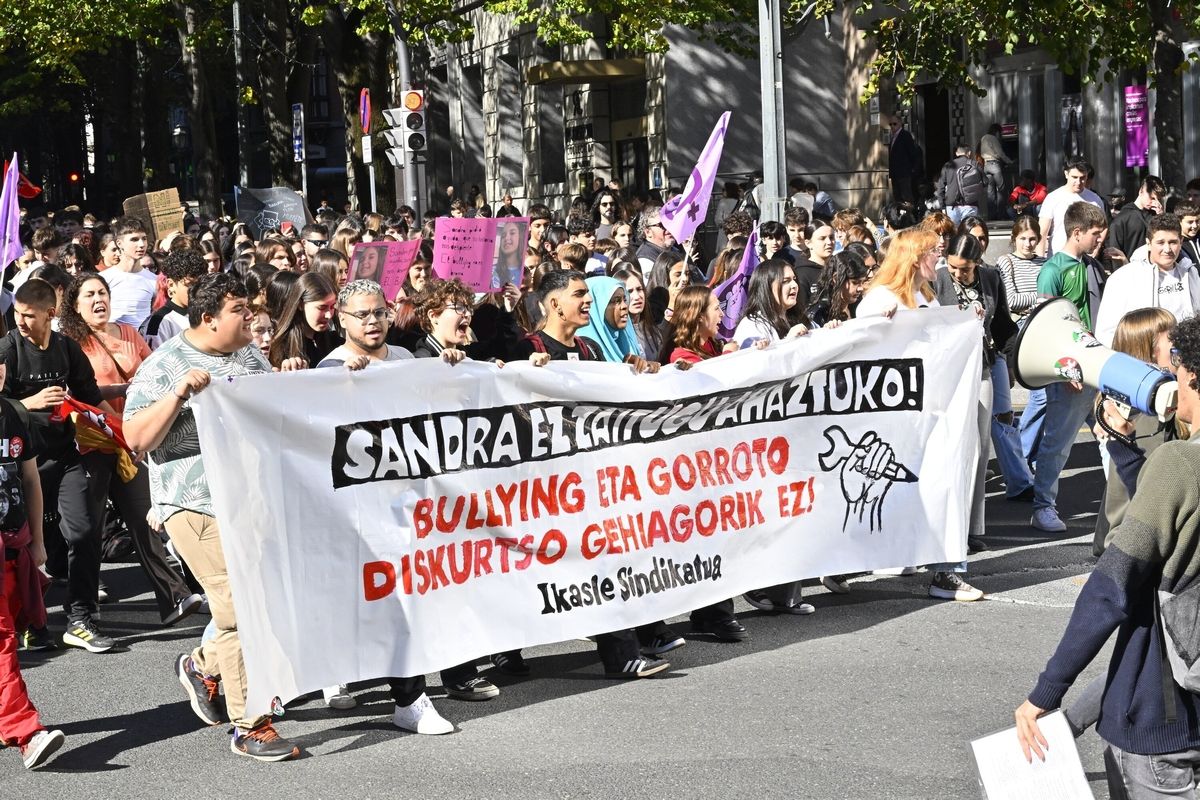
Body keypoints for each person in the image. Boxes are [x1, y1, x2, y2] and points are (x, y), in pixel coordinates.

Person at [1014, 315, 1200, 797]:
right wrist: (1123, 447)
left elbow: (1110, 589)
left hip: (1164, 717)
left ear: (1191, 376)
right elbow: (1175, 511)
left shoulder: (1180, 462)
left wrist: (1047, 691)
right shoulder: (1177, 466)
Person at [123, 272, 301, 761]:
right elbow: (135, 438)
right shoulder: (166, 363)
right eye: (240, 310)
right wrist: (178, 394)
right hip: (195, 504)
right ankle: (251, 726)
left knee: (264, 602)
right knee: (237, 610)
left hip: (251, 501)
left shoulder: (248, 355)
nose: (251, 318)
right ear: (208, 319)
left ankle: (204, 666)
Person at [508, 270, 673, 677]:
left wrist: (639, 375)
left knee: (603, 560)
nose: (587, 302)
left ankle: (622, 653)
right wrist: (522, 370)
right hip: (540, 484)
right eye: (578, 295)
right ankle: (505, 650)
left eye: (586, 294)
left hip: (587, 482)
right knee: (524, 568)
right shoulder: (525, 347)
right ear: (552, 304)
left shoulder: (590, 349)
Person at [57, 272, 203, 627]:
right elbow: (79, 395)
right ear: (75, 305)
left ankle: (173, 597)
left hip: (132, 442)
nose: (98, 299)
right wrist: (120, 422)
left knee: (144, 519)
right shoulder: (69, 343)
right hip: (92, 443)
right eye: (89, 294)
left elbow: (155, 374)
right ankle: (84, 612)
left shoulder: (129, 333)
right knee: (88, 531)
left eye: (102, 292)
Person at [856, 228, 986, 601]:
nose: (940, 262)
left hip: (931, 410)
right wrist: (877, 325)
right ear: (915, 258)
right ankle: (847, 562)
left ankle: (946, 570)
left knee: (942, 482)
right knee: (895, 490)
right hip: (896, 418)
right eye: (935, 255)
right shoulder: (879, 298)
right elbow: (858, 352)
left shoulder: (925, 295)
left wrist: (964, 320)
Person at [0, 279, 119, 650]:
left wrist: (123, 434)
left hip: (66, 455)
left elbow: (92, 400)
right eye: (16, 314)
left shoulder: (67, 349)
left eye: (28, 316)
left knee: (84, 532)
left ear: (50, 314)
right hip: (21, 464)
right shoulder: (7, 349)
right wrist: (29, 403)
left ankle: (81, 616)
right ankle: (32, 622)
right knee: (24, 548)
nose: (19, 322)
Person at [1019, 201, 1108, 533]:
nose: (1100, 240)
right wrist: (1066, 367)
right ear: (1077, 232)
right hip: (1071, 370)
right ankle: (1043, 506)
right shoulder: (1054, 270)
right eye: (1096, 235)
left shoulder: (1091, 265)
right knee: (1057, 444)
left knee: (1110, 437)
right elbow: (1046, 326)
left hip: (1094, 364)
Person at [933, 233, 1020, 552]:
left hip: (982, 365)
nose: (958, 274)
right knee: (950, 449)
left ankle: (971, 528)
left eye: (965, 269)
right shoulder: (937, 279)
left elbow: (1003, 326)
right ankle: (946, 526)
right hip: (946, 373)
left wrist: (1016, 361)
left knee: (980, 451)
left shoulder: (991, 277)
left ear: (978, 262)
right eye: (954, 267)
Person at [0, 361, 66, 768]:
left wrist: (38, 542)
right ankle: (26, 730)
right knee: (3, 639)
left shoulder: (12, 414)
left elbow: (30, 479)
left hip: (14, 546)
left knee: (16, 625)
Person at [1095, 213, 1196, 347]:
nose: (1167, 249)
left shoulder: (1190, 273)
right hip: (1142, 361)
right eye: (1160, 243)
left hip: (1185, 358)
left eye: (1173, 242)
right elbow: (1106, 333)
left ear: (1181, 242)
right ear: (1148, 243)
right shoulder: (1123, 278)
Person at [576, 276, 659, 372]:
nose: (624, 306)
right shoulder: (582, 350)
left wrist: (646, 368)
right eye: (616, 301)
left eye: (624, 300)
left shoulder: (628, 345)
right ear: (597, 307)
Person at [268, 273, 342, 370]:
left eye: (332, 307)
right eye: (322, 308)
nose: (328, 315)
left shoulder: (334, 341)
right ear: (301, 305)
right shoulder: (279, 347)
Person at [1038, 157, 1106, 257]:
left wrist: (1097, 248)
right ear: (1066, 174)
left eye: (1082, 178)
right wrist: (1041, 261)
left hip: (1087, 259)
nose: (1078, 182)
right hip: (1059, 257)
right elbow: (1042, 232)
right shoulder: (1053, 198)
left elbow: (1103, 227)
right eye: (1074, 177)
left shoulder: (1095, 199)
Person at [142, 248, 208, 351]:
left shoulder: (209, 312)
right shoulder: (158, 323)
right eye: (189, 285)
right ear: (171, 285)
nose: (196, 290)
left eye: (200, 284)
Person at [105, 217, 160, 330]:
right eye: (134, 239)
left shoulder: (154, 280)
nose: (141, 244)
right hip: (114, 341)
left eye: (144, 239)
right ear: (119, 243)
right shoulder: (104, 278)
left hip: (144, 343)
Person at [996, 217, 1046, 318]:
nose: (1027, 244)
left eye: (1032, 239)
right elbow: (1011, 300)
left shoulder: (1045, 263)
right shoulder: (1006, 262)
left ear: (1038, 239)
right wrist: (1043, 296)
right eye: (1022, 239)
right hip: (1020, 323)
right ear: (1014, 238)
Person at [807, 250, 871, 328]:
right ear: (836, 279)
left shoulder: (860, 306)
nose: (860, 288)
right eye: (855, 282)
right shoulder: (819, 314)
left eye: (863, 282)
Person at [1108, 175, 1166, 260]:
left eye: (1158, 199)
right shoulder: (1123, 218)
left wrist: (1161, 216)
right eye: (1152, 198)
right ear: (1141, 192)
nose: (1155, 202)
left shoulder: (1156, 215)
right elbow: (1115, 252)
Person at [936, 145, 988, 225]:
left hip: (951, 206)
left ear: (956, 153)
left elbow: (940, 188)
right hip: (971, 204)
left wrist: (942, 206)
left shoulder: (948, 166)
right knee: (969, 231)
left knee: (954, 234)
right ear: (969, 153)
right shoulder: (975, 164)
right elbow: (985, 182)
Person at [978, 123, 1012, 218]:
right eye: (1000, 132)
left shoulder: (983, 138)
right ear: (996, 131)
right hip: (994, 165)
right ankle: (1002, 214)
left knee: (990, 192)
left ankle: (992, 215)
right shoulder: (993, 138)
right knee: (1001, 190)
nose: (1000, 134)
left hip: (986, 166)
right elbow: (1000, 153)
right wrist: (1010, 161)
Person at [887, 115, 922, 204]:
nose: (892, 126)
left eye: (894, 124)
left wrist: (913, 170)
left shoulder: (905, 135)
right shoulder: (893, 138)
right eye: (890, 124)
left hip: (904, 173)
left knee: (906, 197)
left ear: (900, 123)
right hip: (895, 174)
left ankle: (909, 216)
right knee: (897, 198)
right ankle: (900, 216)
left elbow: (913, 153)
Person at [635, 207, 676, 272]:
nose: (669, 229)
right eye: (662, 225)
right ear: (648, 232)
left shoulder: (677, 251)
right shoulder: (645, 260)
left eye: (670, 223)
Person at [492, 221, 526, 289]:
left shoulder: (527, 269)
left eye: (512, 233)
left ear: (521, 237)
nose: (507, 238)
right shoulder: (492, 272)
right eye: (503, 236)